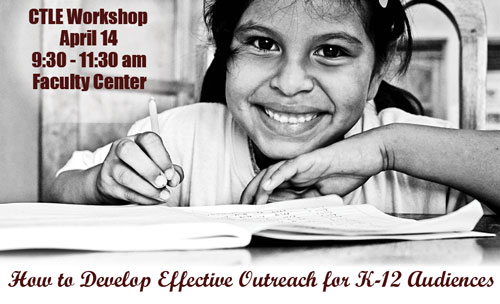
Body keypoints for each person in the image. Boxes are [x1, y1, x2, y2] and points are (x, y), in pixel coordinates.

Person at [48, 0, 500, 215]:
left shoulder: (416, 155)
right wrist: (101, 183)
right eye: (263, 44)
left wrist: (388, 151)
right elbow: (60, 189)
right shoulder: (182, 137)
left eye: (332, 51)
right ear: (225, 55)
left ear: (377, 72)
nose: (289, 83)